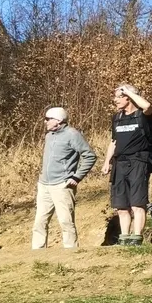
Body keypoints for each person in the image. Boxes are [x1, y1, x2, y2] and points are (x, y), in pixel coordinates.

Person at [32, 106, 97, 250]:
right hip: (44, 185)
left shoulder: (72, 134)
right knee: (39, 222)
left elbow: (90, 156)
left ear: (59, 120)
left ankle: (71, 252)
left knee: (66, 222)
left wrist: (77, 177)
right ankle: (36, 253)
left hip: (62, 185)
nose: (45, 122)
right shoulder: (49, 136)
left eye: (48, 119)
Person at [101, 85, 152, 245]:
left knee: (137, 202)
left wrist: (128, 91)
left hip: (138, 161)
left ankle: (136, 237)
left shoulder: (143, 116)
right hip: (120, 163)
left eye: (119, 96)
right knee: (121, 205)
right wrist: (107, 162)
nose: (115, 100)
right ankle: (124, 237)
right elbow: (114, 141)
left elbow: (147, 106)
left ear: (129, 97)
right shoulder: (117, 118)